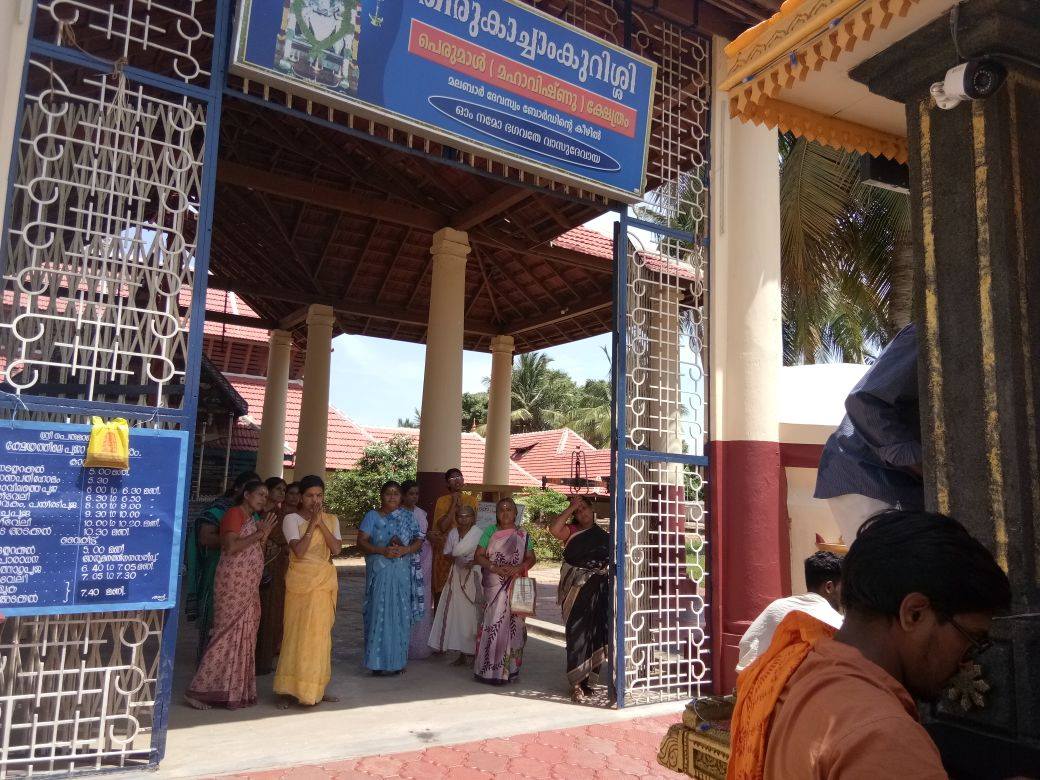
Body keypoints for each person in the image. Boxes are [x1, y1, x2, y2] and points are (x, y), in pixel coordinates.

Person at [727, 509, 1011, 779]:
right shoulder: (885, 738)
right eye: (972, 638)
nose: (970, 662)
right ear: (914, 614)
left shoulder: (799, 671)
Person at [815, 323, 924, 544]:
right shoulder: (925, 333)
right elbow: (865, 402)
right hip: (867, 476)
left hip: (898, 484)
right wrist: (920, 462)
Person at [184, 480, 278, 710]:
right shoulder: (234, 514)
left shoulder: (254, 520)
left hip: (248, 584)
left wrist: (263, 535)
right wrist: (260, 534)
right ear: (246, 494)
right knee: (225, 634)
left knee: (245, 635)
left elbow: (254, 550)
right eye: (260, 494)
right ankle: (197, 690)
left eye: (266, 496)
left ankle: (231, 690)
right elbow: (231, 547)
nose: (263, 499)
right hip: (232, 583)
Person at [273, 475, 341, 707]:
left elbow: (337, 549)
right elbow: (299, 551)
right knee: (296, 633)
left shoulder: (331, 519)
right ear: (301, 497)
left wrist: (321, 522)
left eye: (319, 495)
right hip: (300, 582)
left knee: (320, 636)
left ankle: (316, 688)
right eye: (310, 496)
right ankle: (287, 690)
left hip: (323, 582)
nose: (315, 500)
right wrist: (312, 524)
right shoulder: (290, 519)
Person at [185, 469, 259, 663]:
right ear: (241, 490)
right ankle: (209, 663)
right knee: (217, 619)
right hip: (220, 570)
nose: (260, 497)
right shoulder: (222, 510)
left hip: (245, 578)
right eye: (254, 491)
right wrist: (238, 538)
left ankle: (231, 668)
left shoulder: (254, 515)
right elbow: (205, 538)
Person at [735, 551, 844, 674]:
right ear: (829, 587)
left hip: (750, 686)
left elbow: (746, 645)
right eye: (845, 587)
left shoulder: (777, 606)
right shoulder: (831, 620)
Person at [358, 480, 424, 675]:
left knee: (400, 613)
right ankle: (376, 663)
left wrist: (407, 549)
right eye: (388, 493)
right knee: (378, 611)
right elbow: (361, 541)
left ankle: (397, 662)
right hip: (380, 569)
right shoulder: (372, 516)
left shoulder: (408, 516)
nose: (392, 496)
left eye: (396, 493)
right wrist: (382, 551)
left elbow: (418, 539)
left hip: (402, 570)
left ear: (401, 497)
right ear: (381, 496)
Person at [549, 495, 610, 702]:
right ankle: (575, 684)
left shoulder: (604, 536)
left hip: (599, 592)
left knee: (595, 635)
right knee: (577, 636)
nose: (582, 513)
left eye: (584, 508)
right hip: (576, 593)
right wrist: (570, 507)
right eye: (578, 510)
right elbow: (554, 530)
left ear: (592, 509)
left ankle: (588, 682)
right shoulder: (572, 532)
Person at [473, 498, 536, 685]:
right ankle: (489, 671)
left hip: (516, 586)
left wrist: (520, 567)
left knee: (515, 627)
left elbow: (532, 558)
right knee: (493, 623)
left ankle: (511, 670)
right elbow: (478, 555)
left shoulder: (523, 534)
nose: (505, 513)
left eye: (509, 509)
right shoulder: (490, 531)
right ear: (496, 513)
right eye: (501, 509)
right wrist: (494, 567)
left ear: (516, 513)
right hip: (494, 584)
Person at [428, 504, 482, 666]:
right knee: (457, 615)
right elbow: (447, 553)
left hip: (473, 576)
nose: (463, 519)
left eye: (467, 516)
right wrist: (457, 559)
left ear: (473, 518)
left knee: (473, 616)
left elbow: (486, 554)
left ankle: (474, 654)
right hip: (456, 576)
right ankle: (462, 654)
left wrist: (473, 561)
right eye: (460, 516)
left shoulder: (479, 533)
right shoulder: (453, 533)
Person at [429, 469, 479, 608]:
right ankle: (440, 625)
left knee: (464, 590)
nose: (457, 480)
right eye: (452, 478)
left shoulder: (472, 500)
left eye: (459, 477)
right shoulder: (442, 501)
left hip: (466, 550)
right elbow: (443, 527)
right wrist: (453, 505)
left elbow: (474, 526)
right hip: (445, 554)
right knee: (442, 590)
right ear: (447, 483)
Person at [256, 477, 290, 675]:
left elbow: (287, 542)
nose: (282, 493)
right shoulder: (256, 515)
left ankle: (264, 662)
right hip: (251, 568)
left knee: (272, 614)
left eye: (284, 490)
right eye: (278, 489)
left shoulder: (282, 515)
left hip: (276, 569)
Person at [402, 480, 434, 659]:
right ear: (403, 495)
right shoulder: (396, 513)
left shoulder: (421, 513)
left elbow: (423, 535)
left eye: (416, 494)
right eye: (410, 494)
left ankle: (418, 643)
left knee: (421, 597)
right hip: (403, 558)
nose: (413, 497)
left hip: (423, 558)